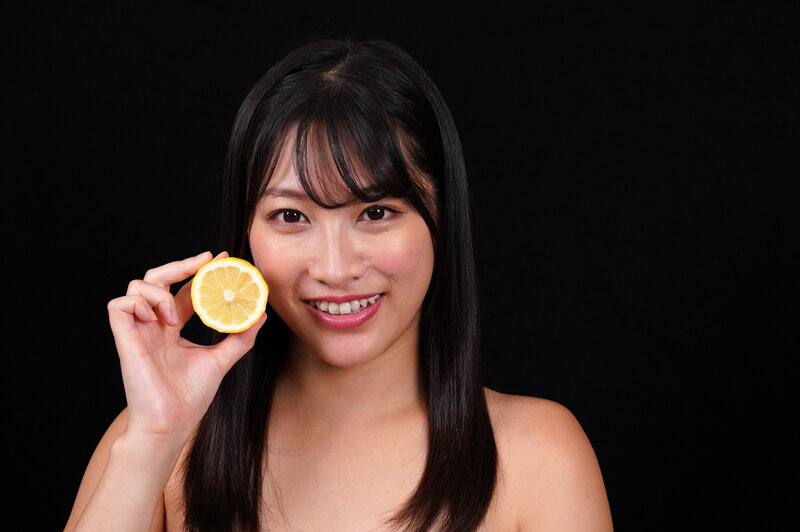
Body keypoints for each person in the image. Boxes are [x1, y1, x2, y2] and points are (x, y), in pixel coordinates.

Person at [64, 35, 613, 531]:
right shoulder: (161, 444)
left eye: (375, 212)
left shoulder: (537, 456)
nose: (333, 267)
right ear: (245, 233)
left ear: (442, 220)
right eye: (291, 216)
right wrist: (153, 440)